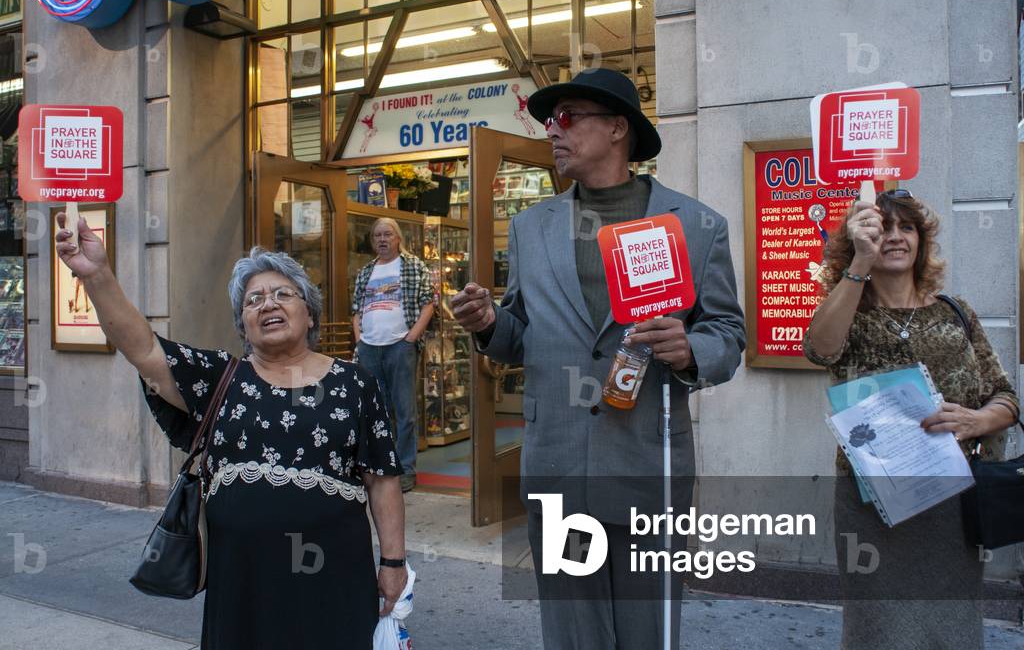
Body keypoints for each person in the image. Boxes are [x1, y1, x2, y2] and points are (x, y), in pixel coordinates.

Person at [451, 68, 746, 649]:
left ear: (617, 128)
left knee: (648, 628)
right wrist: (489, 324)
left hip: (647, 459)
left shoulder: (694, 224)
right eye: (548, 122)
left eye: (566, 118)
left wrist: (691, 349)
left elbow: (729, 333)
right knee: (572, 631)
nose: (552, 133)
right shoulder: (532, 227)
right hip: (557, 459)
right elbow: (520, 336)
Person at [54, 215, 408, 650]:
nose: (268, 304)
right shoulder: (221, 377)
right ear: (243, 325)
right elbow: (144, 349)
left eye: (283, 294)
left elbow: (382, 478)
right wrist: (98, 276)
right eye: (253, 300)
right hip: (241, 581)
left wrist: (393, 561)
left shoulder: (356, 384)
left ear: (310, 312)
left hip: (333, 577)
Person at [803, 190, 1020, 650]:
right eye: (883, 229)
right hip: (872, 506)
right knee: (876, 631)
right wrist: (859, 262)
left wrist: (978, 421)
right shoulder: (850, 313)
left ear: (921, 240)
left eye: (907, 228)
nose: (896, 237)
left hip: (952, 499)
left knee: (952, 629)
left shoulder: (955, 312)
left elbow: (1005, 397)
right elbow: (820, 348)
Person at [351, 217, 435, 493]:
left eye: (388, 234)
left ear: (398, 238)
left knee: (405, 411)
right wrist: (360, 341)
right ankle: (381, 467)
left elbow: (428, 304)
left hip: (400, 346)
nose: (382, 239)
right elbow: (356, 310)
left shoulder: (413, 266)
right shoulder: (366, 271)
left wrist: (410, 338)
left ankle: (406, 469)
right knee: (377, 411)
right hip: (370, 348)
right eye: (377, 235)